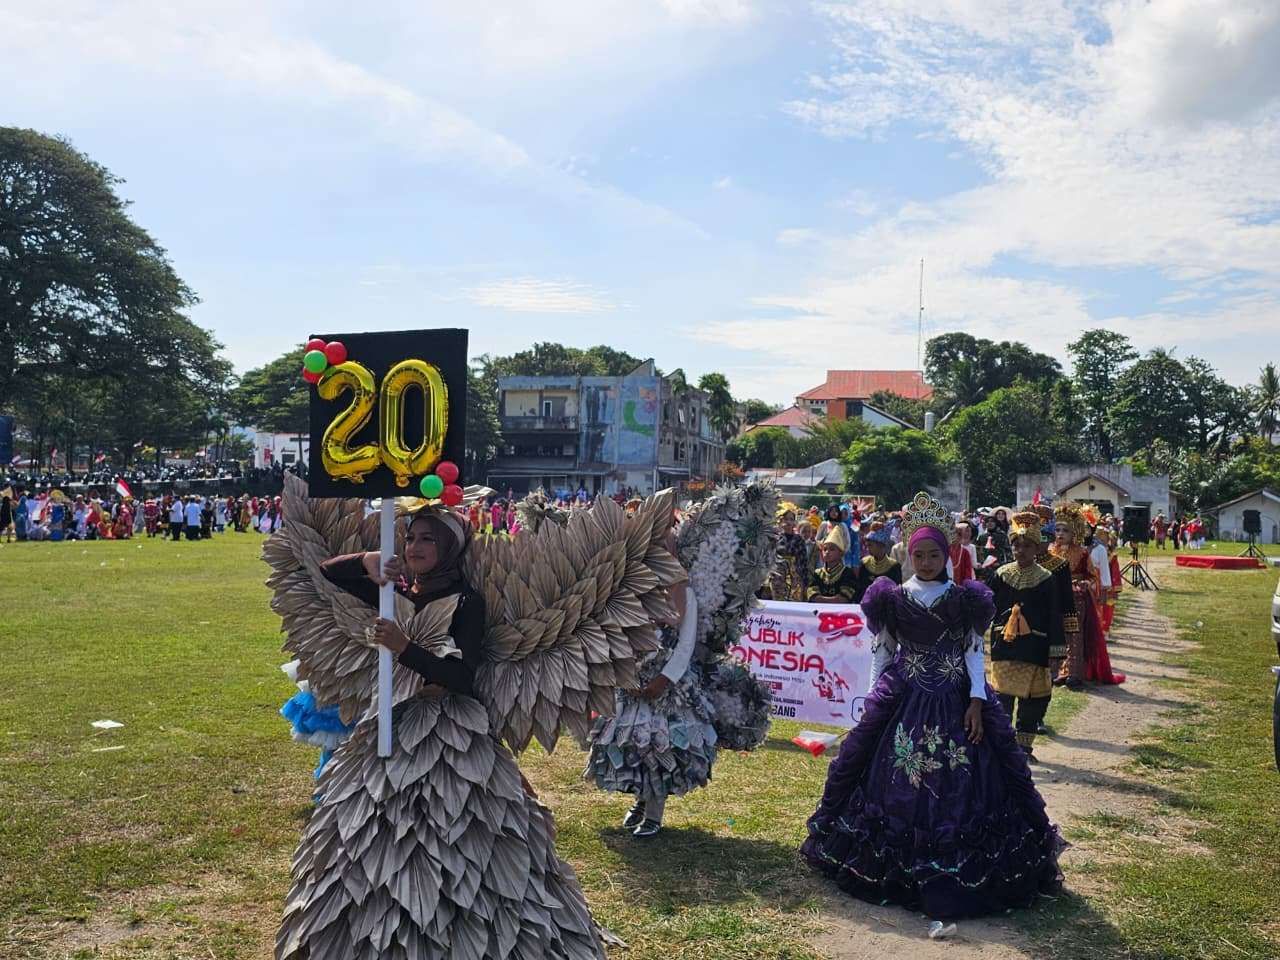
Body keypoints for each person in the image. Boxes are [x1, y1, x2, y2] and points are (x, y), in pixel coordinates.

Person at [801, 491, 1064, 919]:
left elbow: (974, 652)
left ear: (947, 554)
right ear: (909, 554)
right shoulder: (891, 597)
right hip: (903, 696)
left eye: (934, 555)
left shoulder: (964, 599)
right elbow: (882, 651)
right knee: (890, 773)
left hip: (956, 698)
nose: (925, 562)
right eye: (919, 555)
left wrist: (977, 700)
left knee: (967, 776)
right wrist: (874, 701)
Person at [587, 525, 711, 837]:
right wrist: (624, 672)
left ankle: (654, 813)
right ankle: (641, 801)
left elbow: (686, 643)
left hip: (668, 688)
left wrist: (664, 680)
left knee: (660, 746)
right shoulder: (632, 589)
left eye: (664, 550)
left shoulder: (685, 593)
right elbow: (617, 633)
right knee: (635, 745)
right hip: (632, 681)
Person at [988, 511, 1063, 762]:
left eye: (1027, 546)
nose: (1020, 551)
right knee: (1002, 698)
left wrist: (1056, 651)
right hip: (1004, 646)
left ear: (1037, 548)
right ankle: (1003, 747)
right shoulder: (1001, 574)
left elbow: (1054, 615)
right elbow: (987, 607)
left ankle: (1024, 748)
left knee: (1033, 699)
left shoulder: (1047, 579)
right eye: (1016, 545)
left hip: (1035, 647)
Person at [1051, 502, 1125, 688]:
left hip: (1076, 598)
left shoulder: (1082, 552)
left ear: (1074, 532)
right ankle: (1058, 671)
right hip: (1055, 598)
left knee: (1075, 635)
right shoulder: (1050, 551)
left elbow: (1092, 576)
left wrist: (1085, 583)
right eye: (1057, 530)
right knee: (1057, 634)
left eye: (1065, 530)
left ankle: (1074, 674)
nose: (1060, 534)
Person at [807, 524, 868, 603]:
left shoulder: (847, 573)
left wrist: (821, 600)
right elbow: (812, 594)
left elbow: (844, 598)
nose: (827, 552)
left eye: (832, 549)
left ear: (841, 553)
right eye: (825, 549)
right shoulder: (817, 573)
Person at [775, 509, 811, 601]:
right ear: (781, 521)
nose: (788, 522)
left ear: (794, 522)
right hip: (778, 577)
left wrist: (805, 582)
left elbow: (803, 561)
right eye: (786, 519)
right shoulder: (775, 538)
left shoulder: (799, 539)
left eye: (791, 519)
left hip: (796, 577)